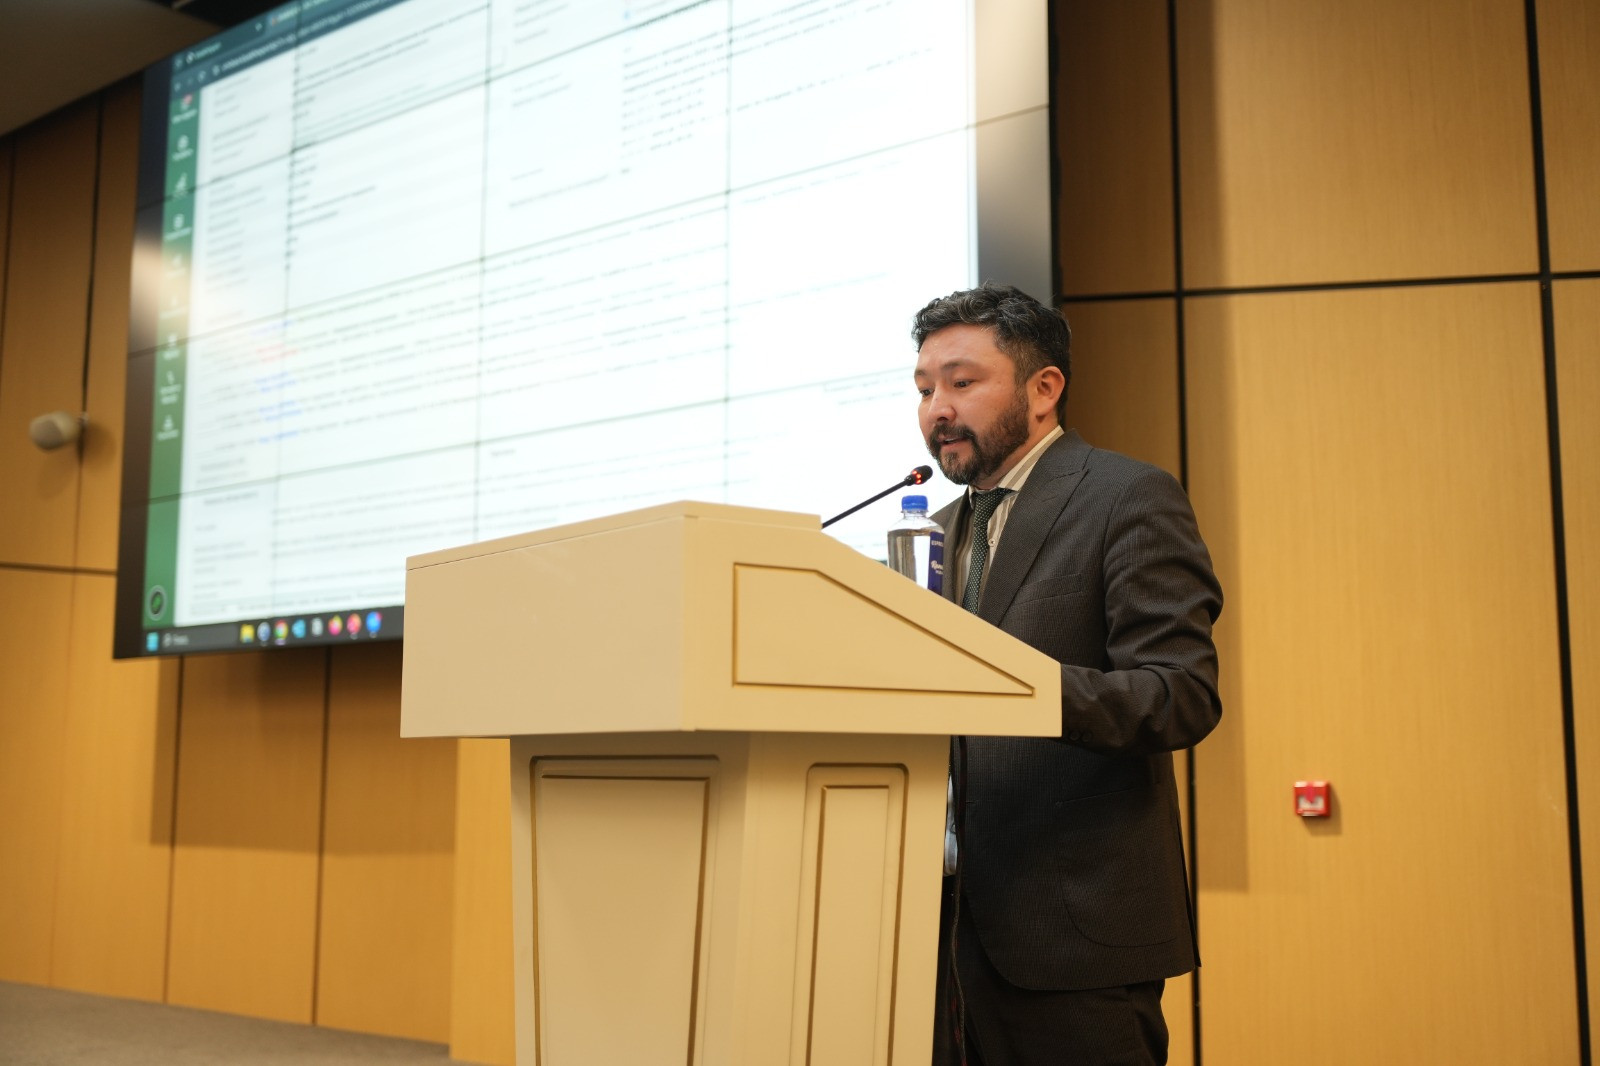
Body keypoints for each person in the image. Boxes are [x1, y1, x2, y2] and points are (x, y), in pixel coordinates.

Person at [912, 282, 1223, 1066]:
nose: (937, 410)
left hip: (1074, 939)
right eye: (923, 389)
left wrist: (1015, 685)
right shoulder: (936, 533)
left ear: (1043, 388)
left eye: (961, 382)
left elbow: (1178, 694)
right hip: (939, 939)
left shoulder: (1125, 497)